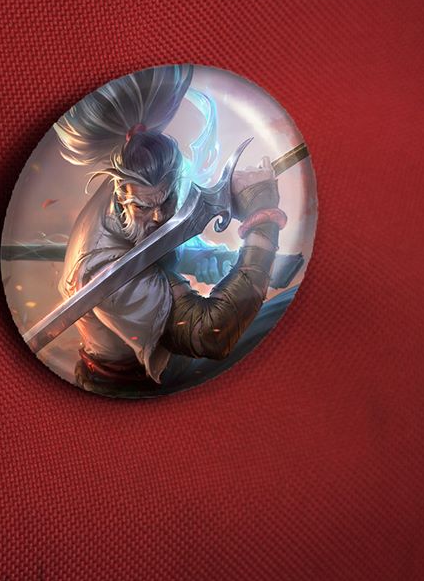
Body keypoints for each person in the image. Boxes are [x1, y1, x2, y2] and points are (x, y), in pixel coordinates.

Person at [53, 65, 286, 395]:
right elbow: (210, 334)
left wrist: (208, 257)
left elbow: (166, 240)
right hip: (134, 386)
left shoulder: (146, 178)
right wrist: (262, 219)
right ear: (121, 192)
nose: (159, 217)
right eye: (143, 208)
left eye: (168, 201)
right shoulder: (103, 269)